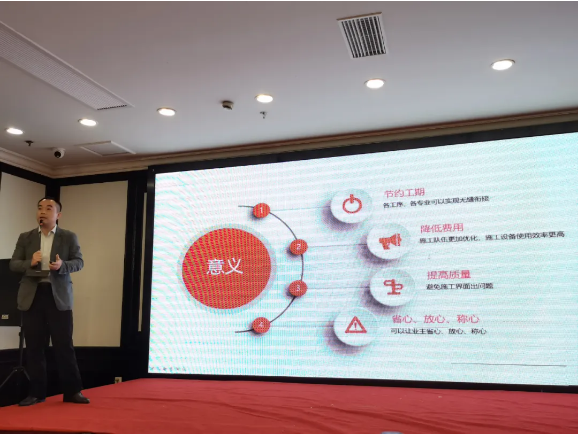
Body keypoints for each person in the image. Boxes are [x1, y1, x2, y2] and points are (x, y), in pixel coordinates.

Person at [10, 197, 89, 406]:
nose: (42, 211)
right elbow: (14, 264)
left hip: (58, 296)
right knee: (34, 346)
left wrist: (62, 265)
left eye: (48, 208)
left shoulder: (68, 236)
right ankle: (37, 393)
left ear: (58, 215)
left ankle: (72, 391)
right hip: (32, 296)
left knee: (64, 345)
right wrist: (30, 262)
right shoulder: (26, 237)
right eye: (39, 208)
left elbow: (79, 262)